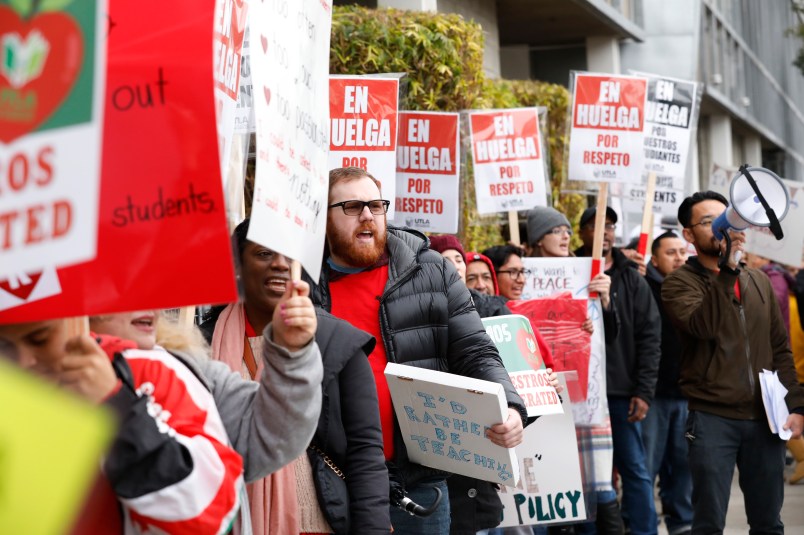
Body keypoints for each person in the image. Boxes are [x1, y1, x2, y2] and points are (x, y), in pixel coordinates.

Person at [309, 166, 528, 534]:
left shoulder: (430, 270)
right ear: (321, 216)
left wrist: (509, 405)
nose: (367, 215)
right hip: (332, 482)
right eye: (351, 206)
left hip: (416, 484)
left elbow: (475, 351)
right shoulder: (303, 283)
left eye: (376, 205)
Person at [202, 218, 390, 535]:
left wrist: (373, 528)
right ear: (237, 263)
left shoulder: (338, 342)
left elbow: (365, 450)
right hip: (229, 521)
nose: (279, 264)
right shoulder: (199, 348)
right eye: (263, 254)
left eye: (289, 255)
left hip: (322, 522)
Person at [0, 319, 245, 534]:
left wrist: (116, 406)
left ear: (74, 320)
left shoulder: (148, 373)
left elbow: (205, 513)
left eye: (40, 339)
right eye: (3, 346)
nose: (23, 361)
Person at [662, 191, 804, 534]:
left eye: (726, 218)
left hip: (764, 418)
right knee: (709, 523)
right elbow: (704, 327)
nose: (721, 227)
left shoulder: (757, 281)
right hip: (712, 419)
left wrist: (796, 405)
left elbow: (779, 348)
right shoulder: (678, 283)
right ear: (689, 235)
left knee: (769, 523)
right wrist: (727, 270)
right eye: (709, 222)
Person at [89, 305, 324, 486]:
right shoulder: (55, 381)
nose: (149, 303)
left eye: (148, 285)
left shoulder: (192, 372)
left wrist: (293, 355)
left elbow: (270, 435)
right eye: (124, 286)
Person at [526, 205, 622, 534]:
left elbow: (611, 338)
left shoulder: (588, 276)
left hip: (585, 399)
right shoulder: (520, 275)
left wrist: (604, 305)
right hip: (543, 397)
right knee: (553, 485)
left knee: (598, 483)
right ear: (538, 239)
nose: (566, 236)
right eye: (557, 230)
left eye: (568, 230)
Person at [577, 206, 661, 535]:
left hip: (621, 393)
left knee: (634, 469)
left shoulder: (631, 278)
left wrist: (643, 391)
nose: (606, 231)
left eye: (611, 225)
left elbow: (650, 338)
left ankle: (643, 530)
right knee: (585, 473)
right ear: (583, 232)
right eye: (597, 225)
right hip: (581, 395)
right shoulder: (568, 270)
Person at [641, 231, 692, 535]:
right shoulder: (643, 286)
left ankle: (682, 520)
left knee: (684, 463)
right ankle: (642, 520)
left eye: (682, 252)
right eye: (671, 253)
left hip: (687, 392)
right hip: (652, 393)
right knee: (647, 464)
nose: (679, 258)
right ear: (654, 258)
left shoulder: (693, 286)